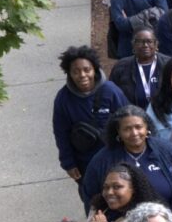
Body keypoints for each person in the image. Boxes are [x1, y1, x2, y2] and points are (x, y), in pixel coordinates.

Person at [82, 104, 172, 216]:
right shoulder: (102, 161)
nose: (134, 133)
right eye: (127, 129)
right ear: (118, 131)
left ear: (147, 128)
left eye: (138, 127)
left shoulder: (168, 151)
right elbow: (91, 199)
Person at [53, 45, 129, 188]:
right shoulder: (63, 99)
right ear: (69, 73)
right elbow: (61, 133)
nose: (82, 75)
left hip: (115, 159)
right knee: (93, 203)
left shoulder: (111, 91)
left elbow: (128, 120)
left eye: (86, 70)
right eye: (76, 71)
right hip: (85, 163)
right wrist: (68, 163)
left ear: (94, 69)